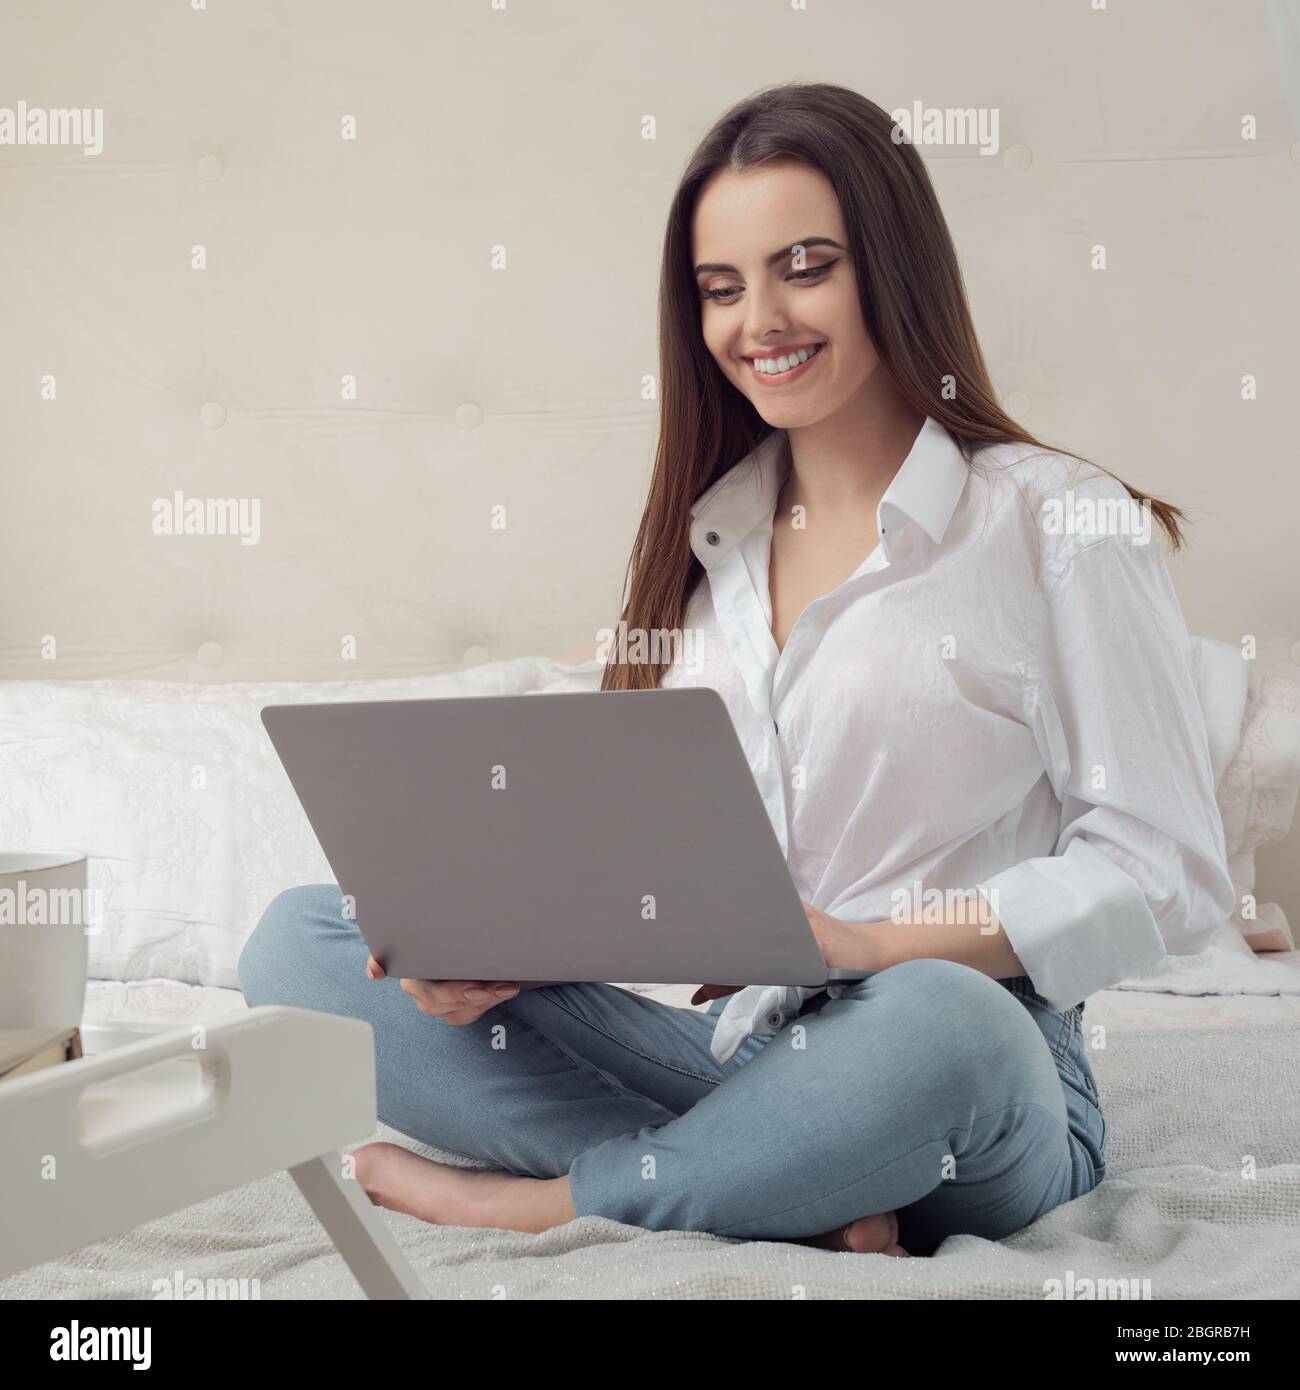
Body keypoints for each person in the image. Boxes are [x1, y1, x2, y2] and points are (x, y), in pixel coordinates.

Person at [239, 82, 1234, 1258]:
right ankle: (798, 1173)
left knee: (938, 1024)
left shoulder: (1059, 520)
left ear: (892, 268)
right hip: (748, 1059)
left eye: (803, 265)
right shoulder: (707, 551)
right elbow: (651, 873)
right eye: (720, 288)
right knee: (298, 944)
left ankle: (556, 1196)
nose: (757, 318)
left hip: (975, 1060)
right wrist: (492, 950)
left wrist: (871, 945)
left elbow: (1163, 868)